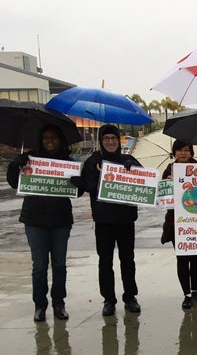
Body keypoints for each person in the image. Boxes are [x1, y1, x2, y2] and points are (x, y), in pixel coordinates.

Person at [6, 124, 82, 322]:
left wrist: (77, 182)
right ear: (40, 139)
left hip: (60, 220)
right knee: (39, 266)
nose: (50, 141)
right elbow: (15, 182)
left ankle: (59, 303)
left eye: (54, 137)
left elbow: (79, 191)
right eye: (46, 137)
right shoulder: (30, 159)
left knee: (59, 265)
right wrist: (16, 164)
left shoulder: (69, 161)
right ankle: (39, 305)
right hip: (34, 220)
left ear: (60, 140)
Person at [72, 124, 142, 316]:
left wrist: (132, 168)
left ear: (119, 141)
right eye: (106, 139)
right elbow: (86, 186)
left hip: (126, 220)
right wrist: (96, 177)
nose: (110, 142)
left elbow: (144, 182)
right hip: (103, 221)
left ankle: (130, 297)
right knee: (105, 261)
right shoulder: (92, 161)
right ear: (101, 141)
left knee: (128, 260)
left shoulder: (128, 159)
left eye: (113, 138)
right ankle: (109, 300)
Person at [160, 140, 197, 310]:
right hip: (176, 223)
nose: (183, 153)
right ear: (174, 152)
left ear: (191, 152)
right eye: (180, 150)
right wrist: (169, 181)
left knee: (196, 258)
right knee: (182, 258)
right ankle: (186, 294)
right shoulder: (169, 169)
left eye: (187, 150)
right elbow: (163, 196)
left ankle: (195, 290)